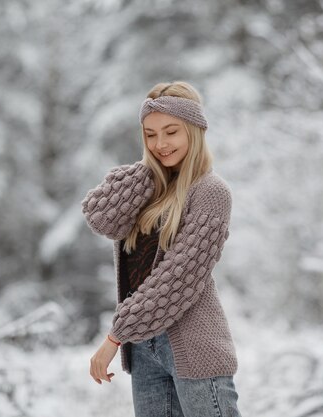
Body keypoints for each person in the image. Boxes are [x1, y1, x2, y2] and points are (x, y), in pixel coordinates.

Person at [81, 80, 242, 417]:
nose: (160, 143)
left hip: (192, 347)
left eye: (171, 132)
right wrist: (147, 172)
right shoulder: (150, 189)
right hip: (143, 348)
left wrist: (114, 338)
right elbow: (101, 218)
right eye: (150, 134)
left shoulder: (211, 192)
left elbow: (176, 279)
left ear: (195, 131)